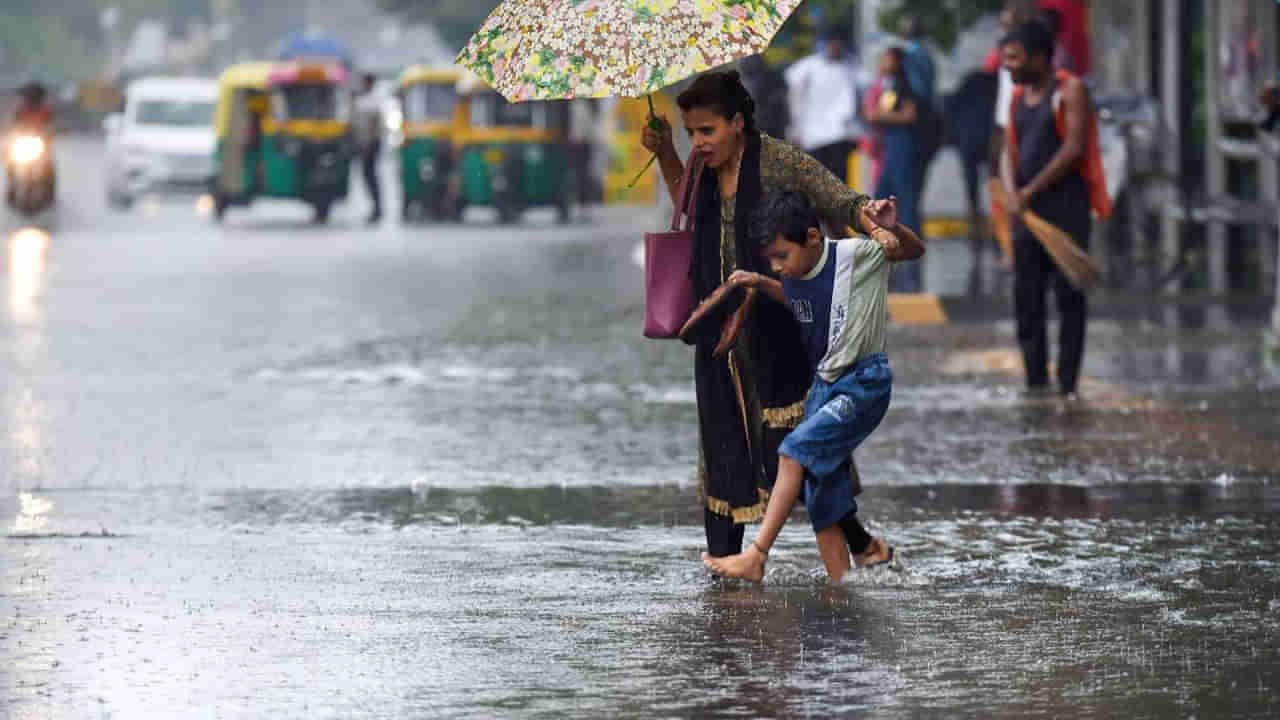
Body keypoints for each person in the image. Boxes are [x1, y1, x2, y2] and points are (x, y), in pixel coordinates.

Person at [640, 71, 898, 562]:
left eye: (707, 131)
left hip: (778, 324)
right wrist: (666, 154)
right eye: (691, 132)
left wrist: (874, 217)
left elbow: (839, 199)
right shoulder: (698, 166)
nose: (698, 142)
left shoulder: (780, 160)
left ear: (737, 122)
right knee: (722, 442)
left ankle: (859, 544)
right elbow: (688, 211)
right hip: (718, 326)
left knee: (796, 443)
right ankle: (724, 564)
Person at [701, 190, 924, 582]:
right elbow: (796, 299)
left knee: (792, 453)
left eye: (781, 256)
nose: (778, 267)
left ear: (813, 238)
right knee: (821, 493)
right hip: (824, 387)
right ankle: (842, 586)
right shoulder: (794, 274)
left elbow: (913, 250)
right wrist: (759, 281)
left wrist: (893, 230)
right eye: (771, 259)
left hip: (862, 383)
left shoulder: (855, 256)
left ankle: (756, 555)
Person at [1000, 20, 1110, 397]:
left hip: (1066, 211)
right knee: (1026, 299)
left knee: (1069, 297)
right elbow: (1007, 149)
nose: (1007, 66)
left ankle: (1067, 384)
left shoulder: (1070, 90)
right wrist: (1012, 192)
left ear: (1040, 57)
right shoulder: (1016, 98)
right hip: (1027, 217)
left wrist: (1030, 190)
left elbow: (1074, 147)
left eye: (1014, 58)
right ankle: (1035, 383)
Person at [866, 47, 923, 292]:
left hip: (902, 144)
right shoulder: (886, 84)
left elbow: (909, 116)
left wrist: (881, 116)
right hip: (890, 145)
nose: (884, 63)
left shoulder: (903, 85)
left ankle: (909, 239)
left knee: (903, 195)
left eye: (888, 59)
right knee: (883, 192)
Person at [784, 23, 860, 182]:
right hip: (814, 137)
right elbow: (792, 95)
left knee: (839, 183)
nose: (836, 46)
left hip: (840, 135)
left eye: (840, 42)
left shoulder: (851, 67)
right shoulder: (807, 67)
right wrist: (794, 129)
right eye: (832, 42)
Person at [354, 73, 384, 224]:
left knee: (371, 176)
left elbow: (373, 125)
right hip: (364, 143)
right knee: (367, 176)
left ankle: (377, 209)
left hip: (371, 144)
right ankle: (375, 208)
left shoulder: (373, 100)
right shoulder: (363, 99)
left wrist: (368, 144)